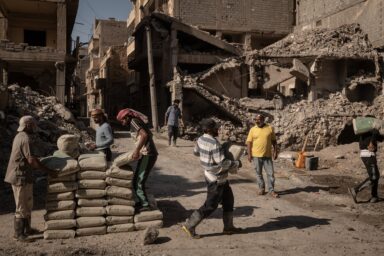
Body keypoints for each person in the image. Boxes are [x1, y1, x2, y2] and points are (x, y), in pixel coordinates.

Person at [182, 118, 242, 239]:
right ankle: (189, 225)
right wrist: (237, 164)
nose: (218, 129)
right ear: (209, 129)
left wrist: (206, 156)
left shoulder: (200, 139)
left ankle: (228, 227)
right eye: (215, 128)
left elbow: (196, 153)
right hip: (216, 179)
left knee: (229, 200)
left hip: (212, 175)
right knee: (210, 206)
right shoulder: (214, 143)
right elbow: (223, 163)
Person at [4, 116, 54, 242]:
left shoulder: (20, 136)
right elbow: (31, 160)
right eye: (33, 125)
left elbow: (30, 158)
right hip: (19, 177)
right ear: (27, 125)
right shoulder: (25, 138)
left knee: (28, 204)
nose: (35, 127)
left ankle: (27, 230)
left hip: (25, 176)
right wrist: (48, 171)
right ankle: (19, 234)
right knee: (21, 206)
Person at [116, 108, 158, 212]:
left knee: (138, 181)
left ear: (126, 117)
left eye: (122, 120)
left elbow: (144, 135)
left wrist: (136, 150)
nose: (122, 123)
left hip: (148, 154)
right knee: (137, 180)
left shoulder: (134, 121)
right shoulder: (136, 121)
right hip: (146, 154)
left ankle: (145, 205)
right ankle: (142, 201)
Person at [246, 114, 279, 198]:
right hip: (256, 156)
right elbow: (249, 142)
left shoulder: (269, 128)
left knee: (270, 174)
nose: (257, 121)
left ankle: (271, 190)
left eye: (259, 119)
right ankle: (261, 188)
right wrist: (249, 154)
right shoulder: (252, 129)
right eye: (256, 119)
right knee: (258, 173)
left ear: (263, 120)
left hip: (267, 156)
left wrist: (275, 152)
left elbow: (274, 141)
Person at [348, 129, 381, 203]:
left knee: (374, 175)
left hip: (365, 155)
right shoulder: (373, 129)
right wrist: (372, 142)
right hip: (369, 155)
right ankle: (355, 190)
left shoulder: (364, 131)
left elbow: (378, 137)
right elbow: (375, 133)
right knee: (374, 176)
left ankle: (374, 196)